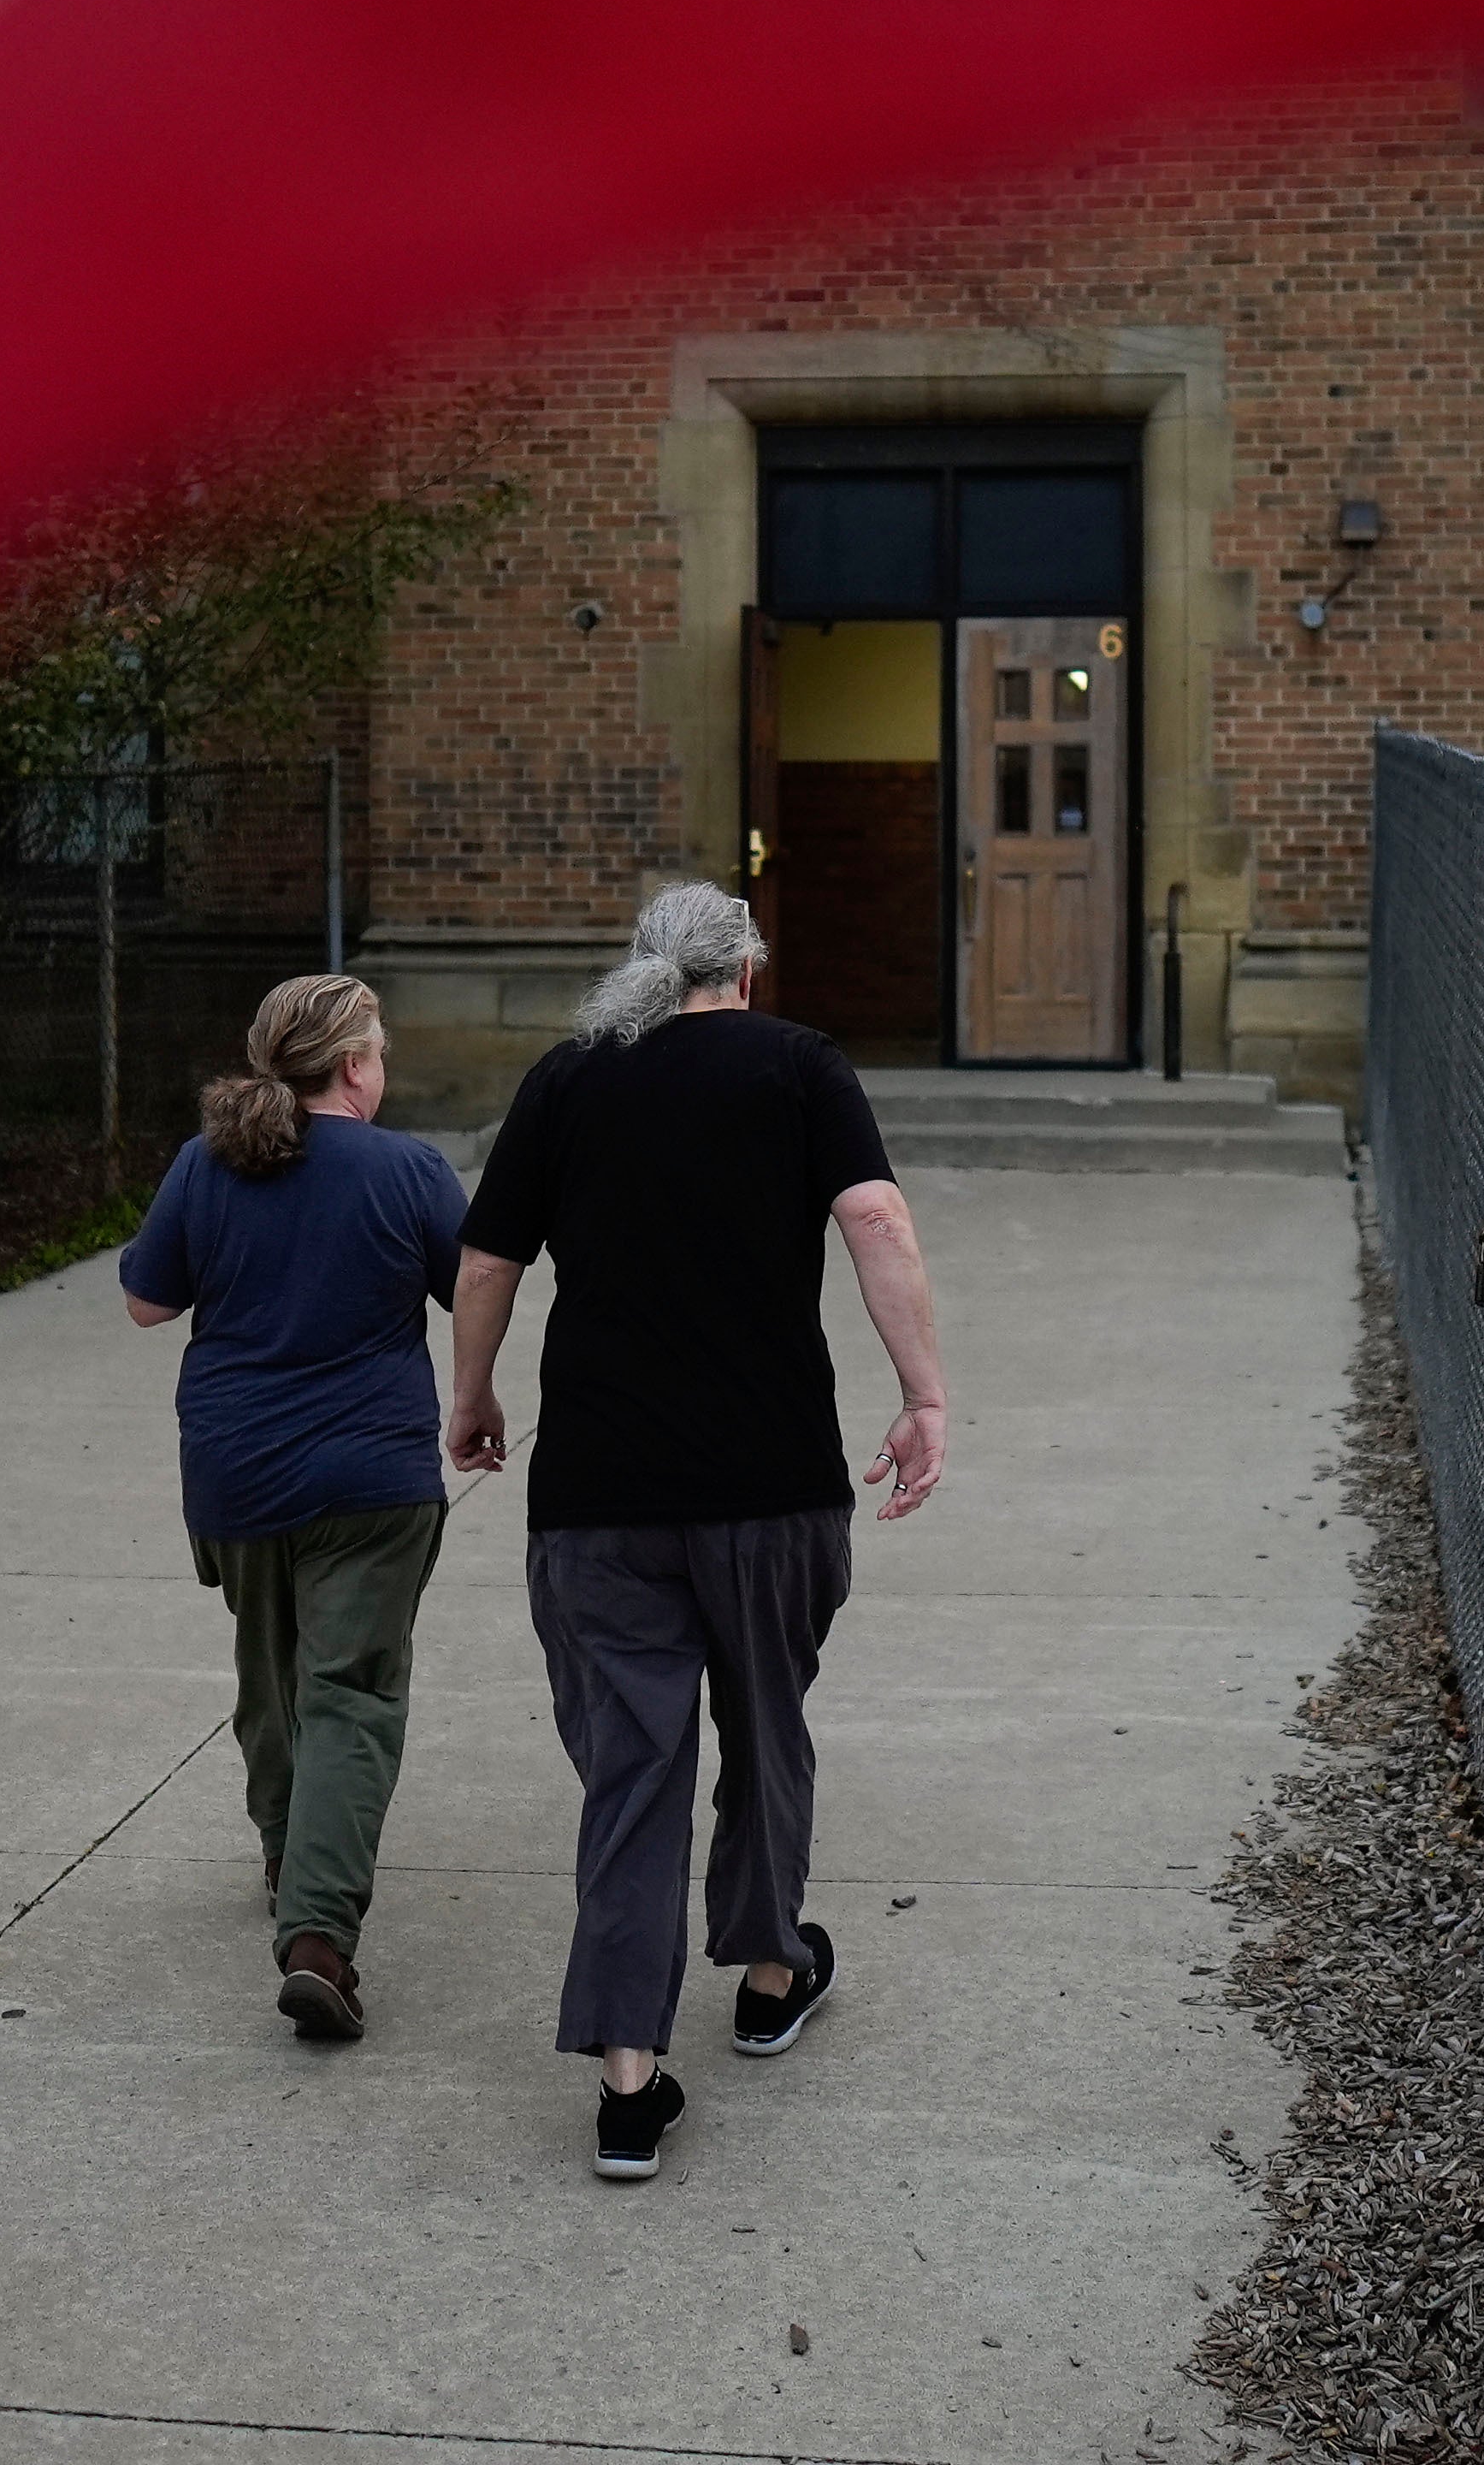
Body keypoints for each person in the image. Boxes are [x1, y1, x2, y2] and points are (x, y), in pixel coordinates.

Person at [446, 879, 948, 2180]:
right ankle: (773, 1974)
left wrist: (474, 1393)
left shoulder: (570, 1079)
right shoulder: (800, 1069)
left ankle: (627, 2081)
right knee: (769, 1721)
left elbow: (488, 1262)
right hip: (771, 1486)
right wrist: (923, 1394)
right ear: (748, 967)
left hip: (603, 1498)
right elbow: (876, 1216)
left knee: (634, 1769)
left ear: (645, 968)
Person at [117, 973, 466, 2044]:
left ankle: (288, 1853)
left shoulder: (206, 1161)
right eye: (381, 1052)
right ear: (354, 1064)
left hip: (236, 1472)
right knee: (351, 1692)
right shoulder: (409, 1169)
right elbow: (478, 1285)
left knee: (272, 1680)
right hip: (371, 1480)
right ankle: (318, 1934)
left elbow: (145, 1298)